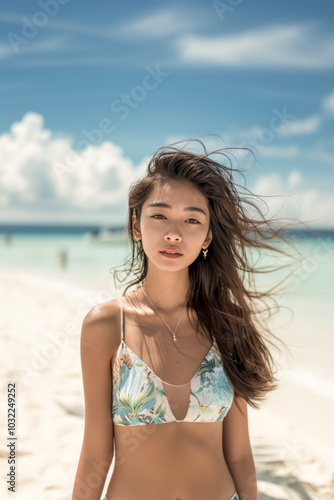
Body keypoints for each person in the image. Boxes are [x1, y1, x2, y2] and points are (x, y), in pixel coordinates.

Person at [72, 140, 299, 500]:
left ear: (208, 235)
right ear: (135, 225)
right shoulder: (105, 325)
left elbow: (239, 453)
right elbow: (96, 455)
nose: (174, 232)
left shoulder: (228, 324)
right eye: (159, 215)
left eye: (192, 219)